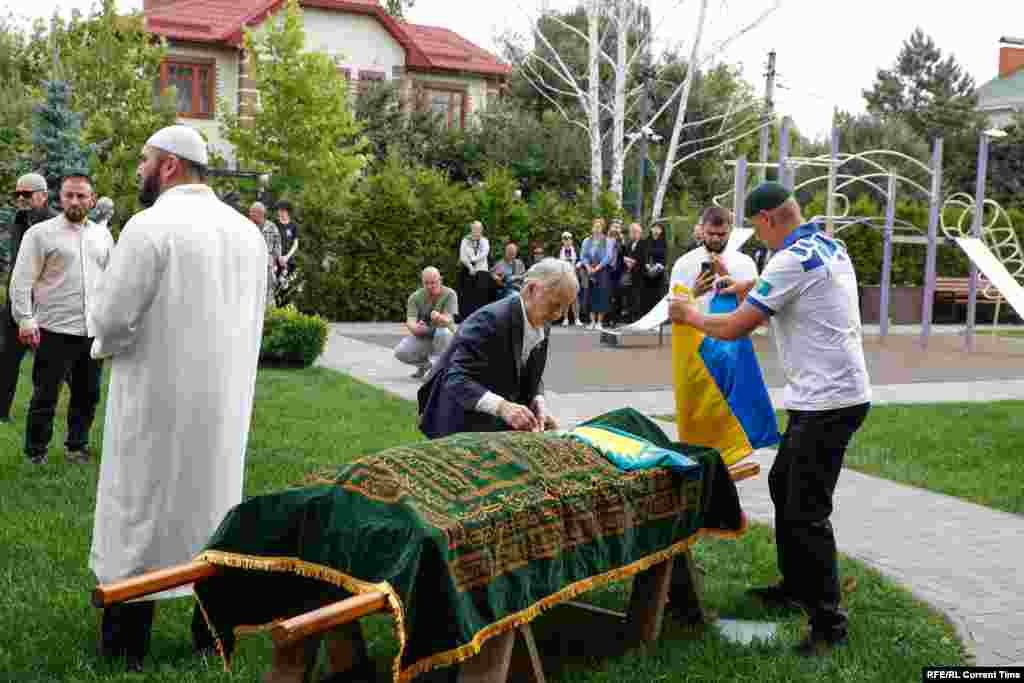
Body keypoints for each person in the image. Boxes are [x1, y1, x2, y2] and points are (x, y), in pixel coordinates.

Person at [88, 124, 268, 670]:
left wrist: (107, 344)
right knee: (213, 507)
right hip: (225, 403)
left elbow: (112, 318)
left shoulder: (150, 226)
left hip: (157, 397)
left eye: (144, 159)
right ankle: (210, 637)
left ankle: (125, 643)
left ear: (168, 165)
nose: (137, 170)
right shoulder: (249, 234)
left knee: (140, 508)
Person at [668, 181, 871, 657]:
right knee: (785, 484)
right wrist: (744, 285)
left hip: (828, 402)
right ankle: (795, 586)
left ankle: (829, 625)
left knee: (806, 509)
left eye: (758, 232)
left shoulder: (788, 260)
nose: (760, 242)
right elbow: (787, 288)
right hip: (830, 396)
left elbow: (738, 327)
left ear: (767, 219)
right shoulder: (826, 245)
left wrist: (689, 315)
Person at [10, 174, 111, 465]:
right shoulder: (40, 234)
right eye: (69, 195)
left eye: (81, 196)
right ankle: (35, 452)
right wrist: (25, 319)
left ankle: (76, 447)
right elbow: (21, 280)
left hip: (91, 330)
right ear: (60, 198)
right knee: (45, 395)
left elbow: (111, 279)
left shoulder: (102, 235)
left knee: (88, 394)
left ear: (92, 200)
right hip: (52, 328)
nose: (75, 201)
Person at [417, 258, 578, 439]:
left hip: (492, 427)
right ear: (532, 289)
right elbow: (455, 379)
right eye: (555, 305)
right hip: (458, 425)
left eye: (565, 307)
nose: (559, 315)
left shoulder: (543, 321)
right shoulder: (490, 320)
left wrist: (537, 400)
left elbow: (527, 370)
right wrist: (503, 407)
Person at [0, 173, 55, 423]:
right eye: (17, 194)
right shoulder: (19, 220)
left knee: (52, 365)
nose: (21, 199)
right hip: (16, 305)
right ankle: (1, 412)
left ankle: (50, 416)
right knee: (6, 359)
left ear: (43, 196)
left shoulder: (56, 223)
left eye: (27, 194)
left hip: (47, 305)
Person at [670, 206, 758, 314]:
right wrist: (694, 293)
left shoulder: (745, 263)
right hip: (695, 329)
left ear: (730, 230)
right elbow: (671, 309)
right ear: (702, 229)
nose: (715, 239)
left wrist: (727, 275)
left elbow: (756, 308)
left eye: (721, 234)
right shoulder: (684, 262)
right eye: (710, 233)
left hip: (732, 328)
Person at [394, 266, 458, 380]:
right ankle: (427, 366)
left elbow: (449, 320)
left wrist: (439, 317)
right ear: (422, 282)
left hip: (445, 336)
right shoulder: (415, 297)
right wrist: (415, 328)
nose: (429, 286)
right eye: (426, 283)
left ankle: (438, 372)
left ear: (440, 280)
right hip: (425, 335)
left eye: (433, 283)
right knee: (400, 352)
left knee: (443, 332)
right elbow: (410, 321)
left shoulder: (450, 294)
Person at [578, 218, 614, 330]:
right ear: (592, 228)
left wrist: (598, 267)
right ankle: (592, 321)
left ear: (602, 228)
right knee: (590, 295)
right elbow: (582, 256)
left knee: (601, 295)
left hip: (602, 270)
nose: (597, 229)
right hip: (589, 270)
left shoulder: (607, 240)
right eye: (595, 226)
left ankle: (599, 322)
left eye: (599, 227)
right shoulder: (586, 241)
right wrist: (588, 266)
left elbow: (608, 256)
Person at [250, 201, 281, 308]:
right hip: (252, 264)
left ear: (260, 213)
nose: (250, 215)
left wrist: (275, 261)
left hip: (268, 265)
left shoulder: (272, 227)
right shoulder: (248, 226)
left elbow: (278, 246)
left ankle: (270, 316)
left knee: (269, 292)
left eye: (252, 212)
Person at [457, 220, 491, 321]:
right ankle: (465, 318)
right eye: (475, 228)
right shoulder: (465, 240)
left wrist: (474, 260)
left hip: (481, 270)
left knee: (481, 296)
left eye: (479, 229)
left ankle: (480, 318)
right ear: (471, 229)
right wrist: (470, 267)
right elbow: (462, 256)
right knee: (466, 295)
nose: (477, 230)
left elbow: (484, 253)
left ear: (481, 230)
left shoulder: (485, 241)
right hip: (467, 269)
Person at [557, 231, 581, 326]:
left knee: (575, 298)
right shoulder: (559, 251)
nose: (567, 241)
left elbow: (581, 259)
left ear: (572, 240)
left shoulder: (576, 250)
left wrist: (579, 264)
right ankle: (565, 318)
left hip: (574, 275)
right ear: (562, 240)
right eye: (565, 239)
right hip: (564, 277)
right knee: (565, 298)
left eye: (569, 239)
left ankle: (577, 319)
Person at [274, 200, 300, 277]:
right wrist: (278, 256)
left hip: (288, 260)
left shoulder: (293, 226)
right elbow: (272, 242)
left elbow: (295, 244)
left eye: (281, 210)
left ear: (287, 211)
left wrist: (287, 257)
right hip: (275, 260)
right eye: (278, 210)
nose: (279, 212)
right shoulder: (275, 224)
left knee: (285, 284)